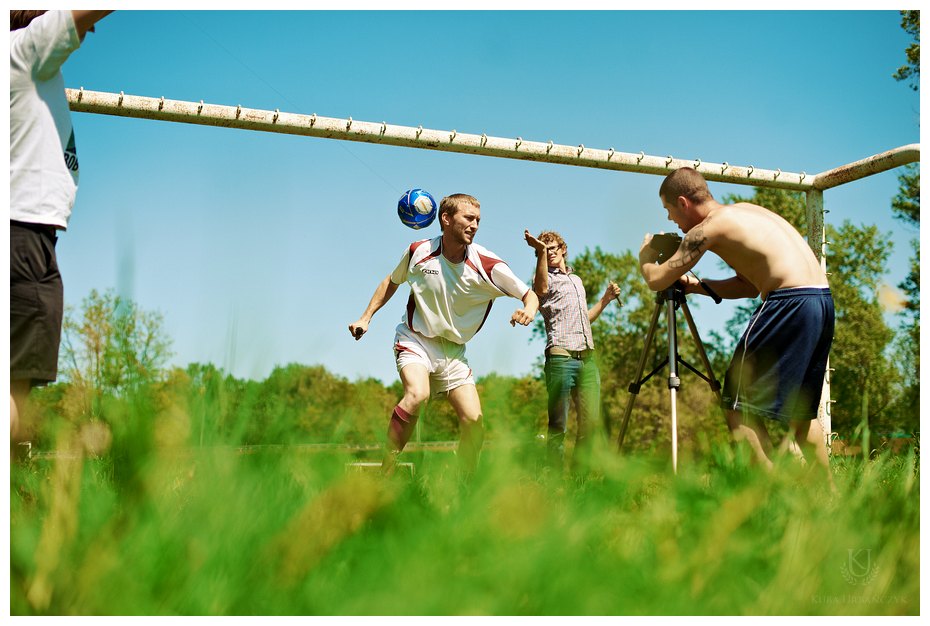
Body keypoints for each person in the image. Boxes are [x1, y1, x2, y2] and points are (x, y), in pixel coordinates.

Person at [639, 167, 834, 482]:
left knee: (736, 403)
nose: (670, 220)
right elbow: (748, 285)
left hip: (789, 302)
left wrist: (645, 254)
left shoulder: (707, 229)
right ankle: (830, 498)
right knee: (800, 413)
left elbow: (656, 278)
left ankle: (770, 492)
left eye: (669, 211)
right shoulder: (744, 213)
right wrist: (696, 285)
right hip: (820, 301)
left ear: (683, 202)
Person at [349, 194, 539, 475]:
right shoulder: (418, 251)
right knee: (417, 394)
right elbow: (391, 281)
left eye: (478, 220)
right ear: (446, 219)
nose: (474, 225)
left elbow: (529, 295)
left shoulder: (488, 264)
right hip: (415, 340)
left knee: (475, 423)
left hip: (454, 353)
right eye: (468, 218)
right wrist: (365, 318)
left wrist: (529, 309)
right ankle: (386, 468)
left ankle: (465, 485)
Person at [10, 10, 113, 445]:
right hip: (23, 239)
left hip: (25, 234)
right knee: (13, 394)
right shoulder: (27, 49)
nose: (91, 29)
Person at [524, 229, 621, 471]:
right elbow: (541, 289)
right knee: (558, 425)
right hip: (561, 359)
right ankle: (554, 481)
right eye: (544, 250)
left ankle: (580, 479)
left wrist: (605, 300)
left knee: (590, 424)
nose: (550, 253)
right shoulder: (543, 278)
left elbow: (584, 319)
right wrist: (540, 255)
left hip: (587, 360)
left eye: (553, 248)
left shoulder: (576, 281)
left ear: (563, 249)